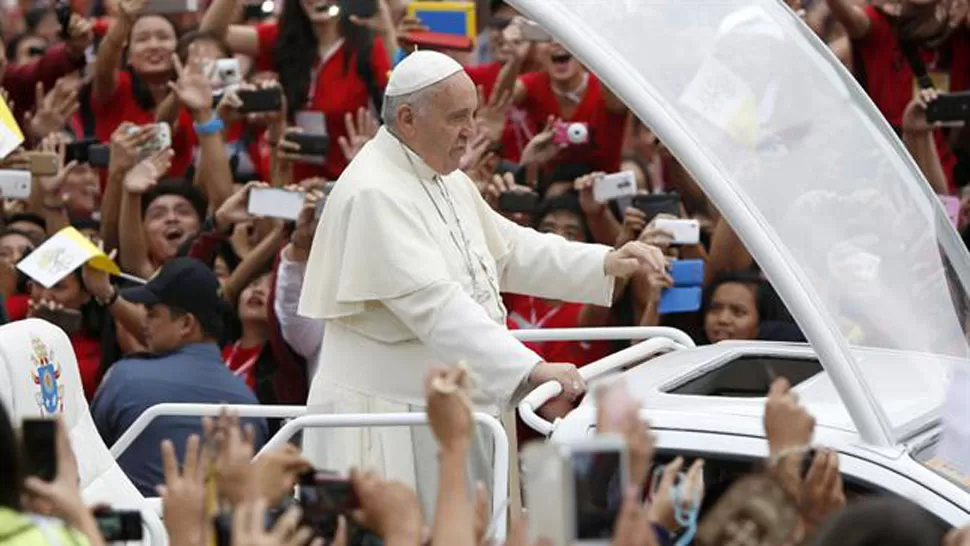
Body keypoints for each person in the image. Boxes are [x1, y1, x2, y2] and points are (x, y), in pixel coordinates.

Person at [298, 49, 668, 514]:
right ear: (408, 119)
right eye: (458, 118)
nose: (473, 130)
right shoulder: (374, 191)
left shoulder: (441, 172)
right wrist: (531, 369)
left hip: (445, 410)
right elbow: (434, 306)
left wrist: (606, 261)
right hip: (386, 419)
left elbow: (505, 249)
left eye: (473, 114)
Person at [90, 257, 267, 496]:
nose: (144, 323)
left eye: (152, 314)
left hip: (133, 528)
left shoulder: (125, 378)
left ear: (186, 324)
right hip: (215, 530)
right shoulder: (249, 403)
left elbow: (86, 456)